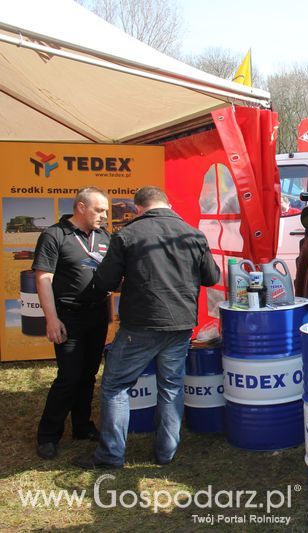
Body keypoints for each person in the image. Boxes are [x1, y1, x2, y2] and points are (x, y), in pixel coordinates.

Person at [74, 186, 219, 469]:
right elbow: (211, 277)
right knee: (171, 387)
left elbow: (104, 282)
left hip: (140, 325)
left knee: (116, 386)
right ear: (168, 204)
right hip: (180, 324)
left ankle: (111, 455)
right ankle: (166, 453)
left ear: (138, 208)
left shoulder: (127, 234)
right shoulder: (193, 233)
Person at [32, 187, 111, 460]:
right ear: (80, 207)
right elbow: (43, 279)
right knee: (69, 377)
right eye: (99, 210)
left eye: (106, 211)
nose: (104, 215)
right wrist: (52, 319)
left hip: (97, 314)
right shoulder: (54, 235)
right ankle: (48, 435)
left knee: (89, 375)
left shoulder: (104, 236)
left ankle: (82, 427)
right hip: (69, 316)